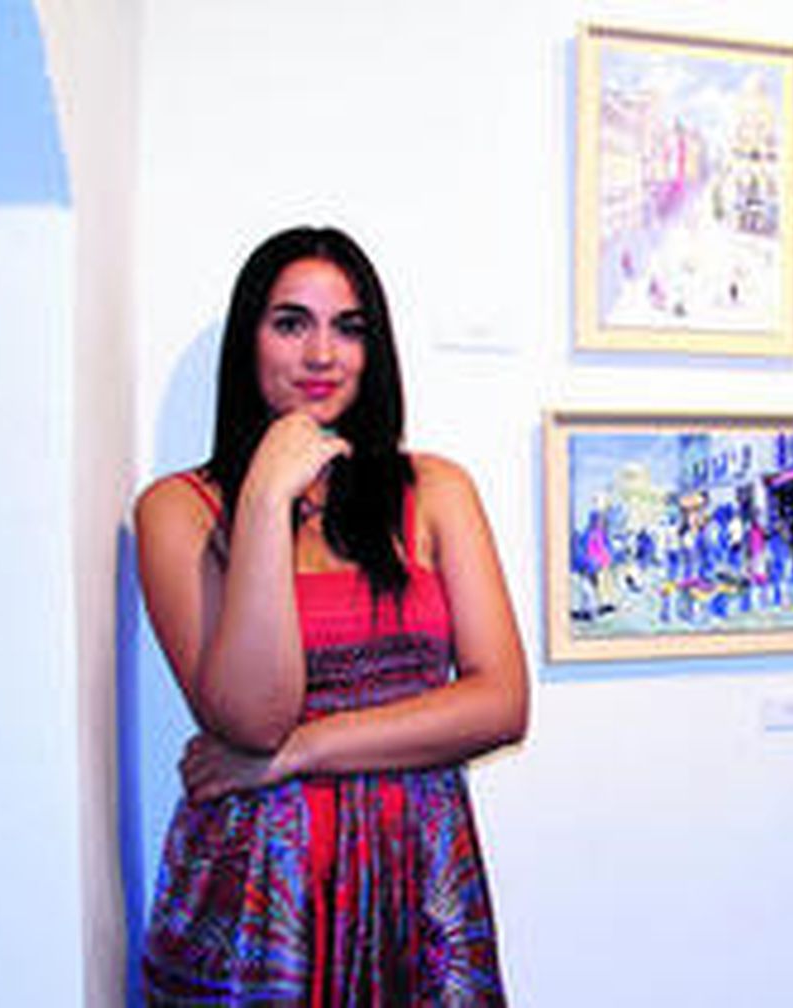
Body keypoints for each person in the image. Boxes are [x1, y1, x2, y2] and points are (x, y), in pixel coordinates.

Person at [134, 226, 528, 1005]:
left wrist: (301, 751)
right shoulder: (179, 510)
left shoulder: (435, 490)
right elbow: (252, 720)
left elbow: (502, 703)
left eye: (348, 328)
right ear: (249, 340)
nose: (323, 355)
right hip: (259, 888)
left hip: (418, 872)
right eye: (291, 323)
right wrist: (264, 497)